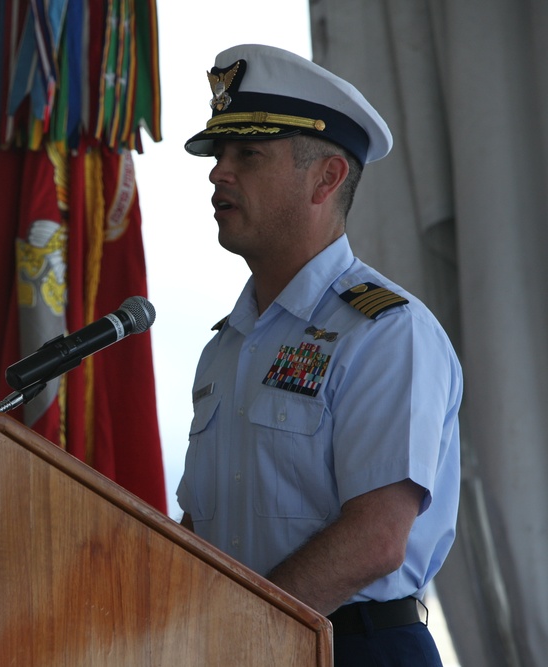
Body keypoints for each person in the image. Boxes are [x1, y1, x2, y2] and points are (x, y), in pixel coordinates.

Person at [176, 44, 462, 666]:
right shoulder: (225, 347)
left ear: (326, 177)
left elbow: (376, 540)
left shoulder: (385, 332)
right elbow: (200, 528)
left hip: (356, 647)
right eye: (219, 154)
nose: (217, 172)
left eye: (246, 154)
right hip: (245, 646)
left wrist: (240, 632)